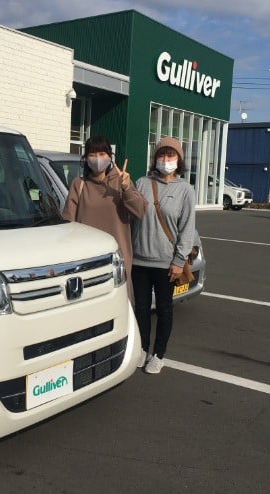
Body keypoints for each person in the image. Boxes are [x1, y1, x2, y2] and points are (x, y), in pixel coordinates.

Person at [131, 137, 195, 374]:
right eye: (161, 156)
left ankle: (159, 354)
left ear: (179, 160)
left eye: (171, 156)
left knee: (165, 310)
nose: (165, 160)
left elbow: (187, 229)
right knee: (141, 309)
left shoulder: (186, 190)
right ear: (155, 158)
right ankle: (142, 349)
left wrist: (179, 261)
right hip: (139, 259)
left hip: (167, 263)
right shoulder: (142, 182)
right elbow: (130, 214)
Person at [62, 136, 147, 301]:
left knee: (119, 305)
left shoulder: (121, 182)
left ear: (110, 157)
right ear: (86, 159)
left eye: (102, 153)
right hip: (86, 258)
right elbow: (68, 223)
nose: (97, 158)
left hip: (117, 258)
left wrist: (127, 188)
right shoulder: (79, 184)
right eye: (92, 154)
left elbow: (140, 211)